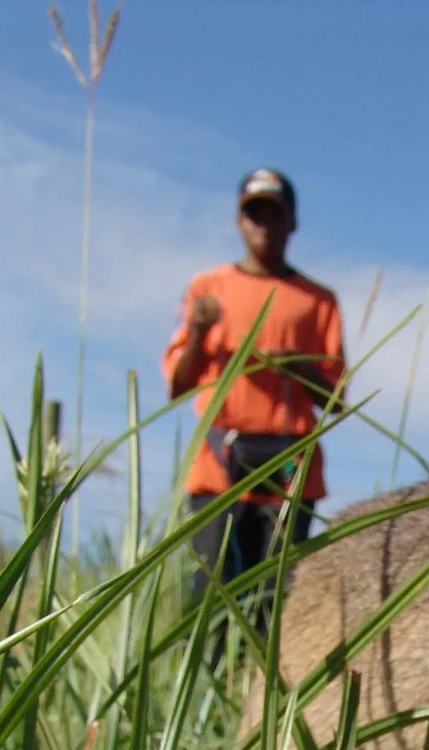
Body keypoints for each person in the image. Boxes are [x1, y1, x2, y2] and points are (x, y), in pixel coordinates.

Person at [161, 168, 346, 618]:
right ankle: (209, 681)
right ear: (239, 222)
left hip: (290, 467)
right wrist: (200, 330)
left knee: (278, 601)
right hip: (219, 464)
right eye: (254, 215)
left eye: (273, 215)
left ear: (292, 223)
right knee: (210, 597)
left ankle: (264, 685)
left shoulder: (316, 300)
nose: (263, 226)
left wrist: (298, 365)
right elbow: (178, 386)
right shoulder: (209, 290)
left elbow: (336, 400)